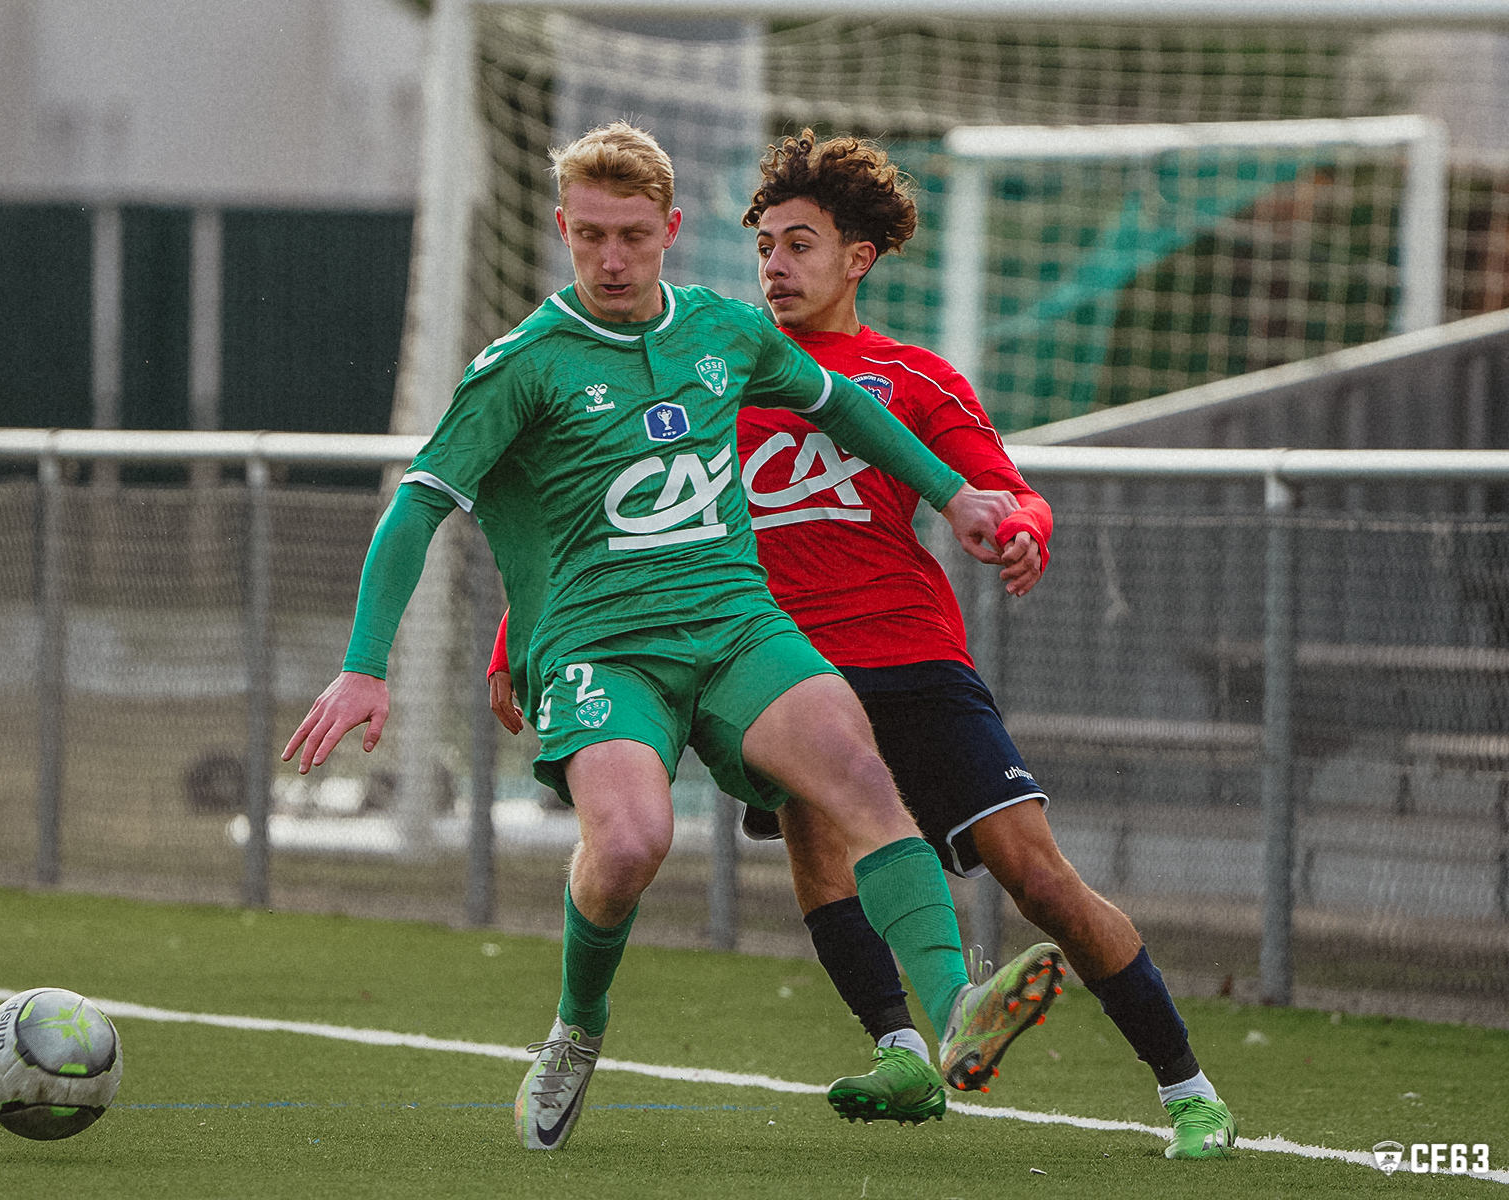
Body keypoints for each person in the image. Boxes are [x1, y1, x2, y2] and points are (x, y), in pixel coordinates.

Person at [284, 121, 1063, 1154]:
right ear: (563, 228)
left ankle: (956, 1006)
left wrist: (955, 496)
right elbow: (418, 506)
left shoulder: (722, 331)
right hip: (604, 651)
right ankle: (576, 1027)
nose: (611, 259)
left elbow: (842, 409)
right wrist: (363, 668)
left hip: (740, 628)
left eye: (633, 237)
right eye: (591, 236)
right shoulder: (521, 366)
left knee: (860, 778)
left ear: (671, 231)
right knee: (631, 846)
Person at [493, 128, 1237, 1160]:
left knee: (1037, 877)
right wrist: (517, 636)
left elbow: (998, 488)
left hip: (913, 657)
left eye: (799, 244)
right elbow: (596, 518)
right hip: (774, 664)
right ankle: (902, 1049)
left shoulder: (911, 378)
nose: (774, 265)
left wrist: (1022, 527)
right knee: (822, 861)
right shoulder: (709, 360)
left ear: (858, 258)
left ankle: (1188, 1089)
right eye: (763, 245)